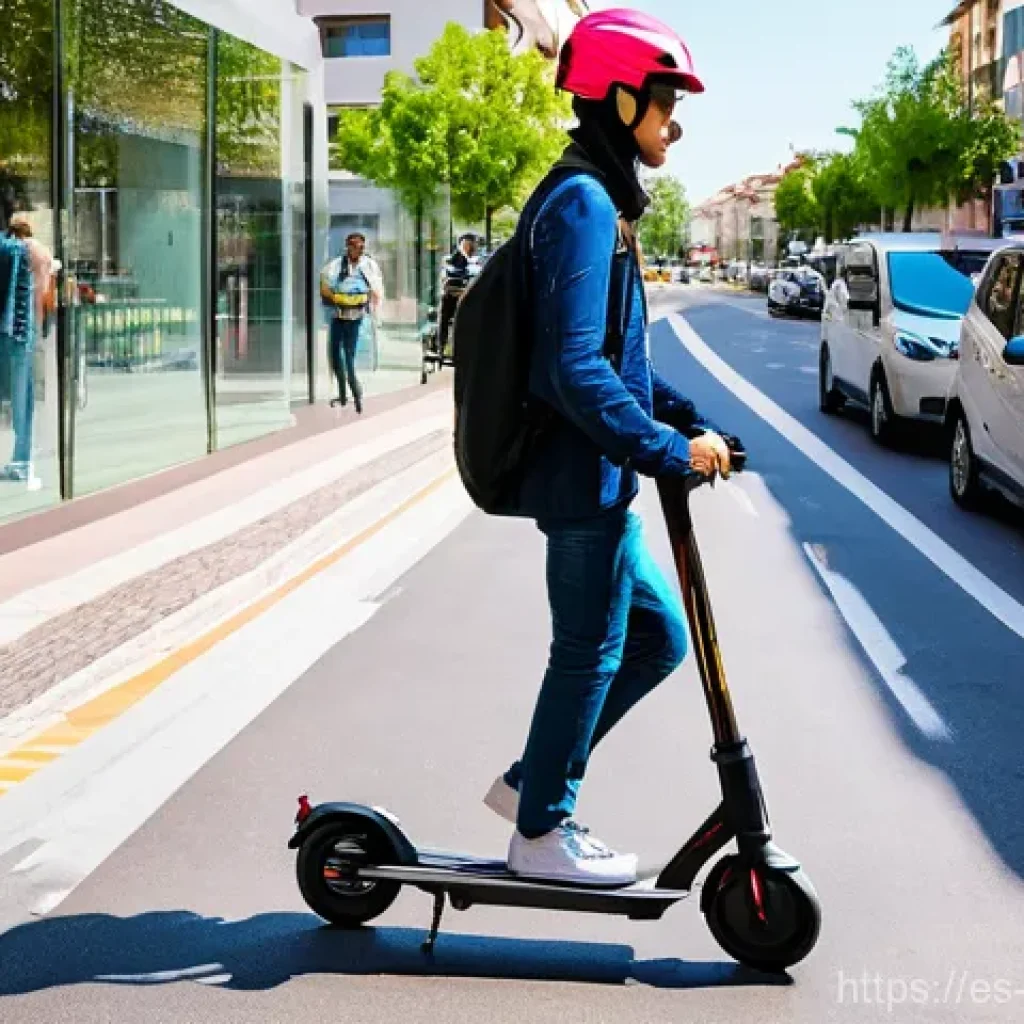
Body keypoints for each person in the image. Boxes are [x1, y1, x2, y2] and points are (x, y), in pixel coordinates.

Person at [481, 9, 736, 886]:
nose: (674, 118)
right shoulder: (584, 203)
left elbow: (620, 362)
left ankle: (532, 784)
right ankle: (541, 831)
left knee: (657, 640)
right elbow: (573, 371)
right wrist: (667, 448)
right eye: (665, 98)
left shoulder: (601, 196)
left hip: (600, 479)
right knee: (587, 649)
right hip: (577, 480)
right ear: (619, 96)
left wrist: (691, 420)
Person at [320, 232, 382, 414]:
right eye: (356, 246)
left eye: (362, 246)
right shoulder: (336, 266)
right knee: (335, 356)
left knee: (348, 355)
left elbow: (376, 289)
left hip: (356, 316)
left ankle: (356, 393)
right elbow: (324, 283)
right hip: (338, 315)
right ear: (348, 247)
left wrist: (370, 305)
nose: (359, 250)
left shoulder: (369, 265)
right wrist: (335, 298)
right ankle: (341, 392)